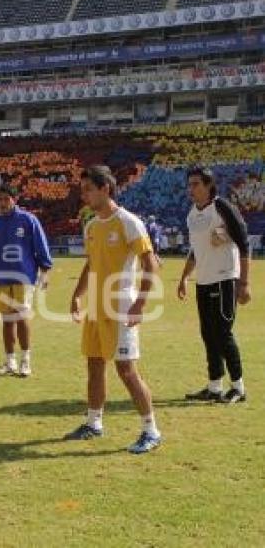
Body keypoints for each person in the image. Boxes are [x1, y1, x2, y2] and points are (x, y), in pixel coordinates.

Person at [67, 165, 162, 454]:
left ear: (105, 188)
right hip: (96, 308)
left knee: (126, 370)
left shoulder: (128, 222)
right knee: (94, 366)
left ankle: (151, 430)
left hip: (121, 306)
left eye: (88, 189)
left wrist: (140, 303)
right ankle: (94, 422)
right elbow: (90, 264)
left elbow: (150, 264)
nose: (84, 195)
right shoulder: (92, 226)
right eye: (82, 190)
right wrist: (76, 296)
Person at [178, 167, 252, 404]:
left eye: (196, 184)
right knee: (208, 334)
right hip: (204, 280)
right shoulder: (192, 214)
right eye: (189, 184)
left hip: (224, 279)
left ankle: (238, 388)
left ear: (209, 185)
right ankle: (214, 387)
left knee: (223, 333)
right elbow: (196, 251)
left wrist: (244, 283)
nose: (191, 189)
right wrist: (184, 278)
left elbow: (244, 243)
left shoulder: (222, 207)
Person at [0, 185, 52, 377]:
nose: (2, 203)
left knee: (21, 318)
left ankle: (25, 361)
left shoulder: (27, 220)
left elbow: (40, 245)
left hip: (24, 277)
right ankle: (10, 362)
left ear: (14, 199)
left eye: (5, 199)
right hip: (1, 279)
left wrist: (45, 271)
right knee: (7, 321)